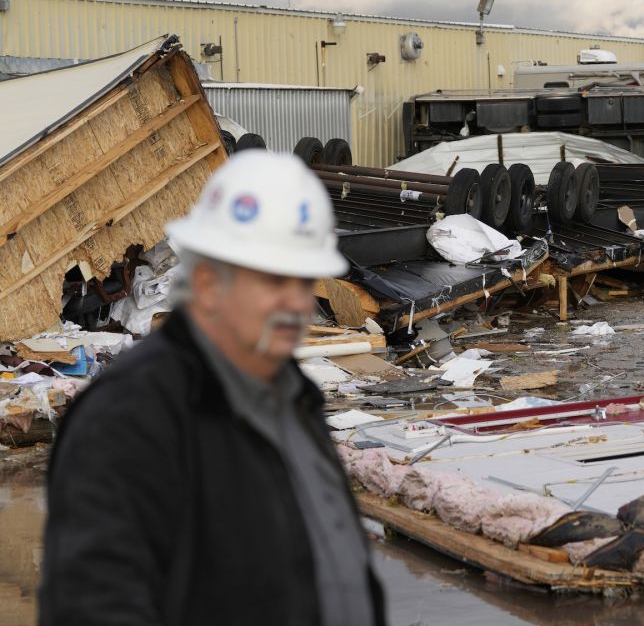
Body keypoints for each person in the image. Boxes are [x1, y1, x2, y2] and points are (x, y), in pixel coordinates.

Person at [39, 151, 386, 625]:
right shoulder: (128, 418)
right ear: (205, 281)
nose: (295, 303)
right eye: (270, 278)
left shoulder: (292, 398)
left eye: (303, 280)